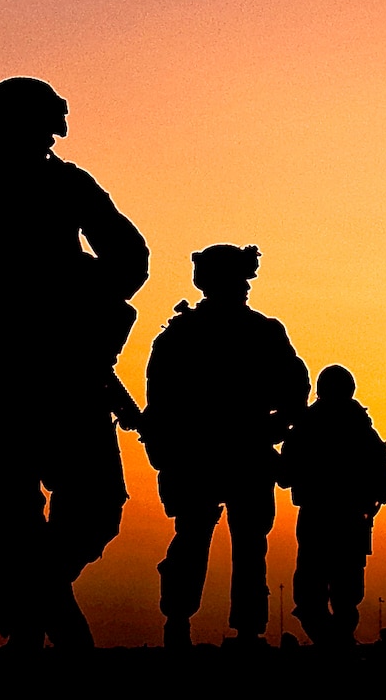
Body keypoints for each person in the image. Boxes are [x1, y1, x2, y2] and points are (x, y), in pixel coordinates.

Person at [0, 77, 149, 648]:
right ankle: (31, 614)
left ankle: (29, 599)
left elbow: (128, 260)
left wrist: (80, 295)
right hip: (29, 379)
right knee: (41, 510)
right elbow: (128, 263)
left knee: (64, 511)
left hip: (37, 375)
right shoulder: (24, 190)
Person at [142, 244, 310, 648]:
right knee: (229, 542)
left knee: (213, 539)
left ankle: (193, 623)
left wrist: (277, 423)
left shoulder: (183, 335)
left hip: (214, 454)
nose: (245, 289)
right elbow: (296, 388)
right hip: (225, 454)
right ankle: (219, 626)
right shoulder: (257, 332)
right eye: (240, 280)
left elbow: (295, 388)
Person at [279, 364, 386, 648]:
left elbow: (284, 476)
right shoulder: (362, 430)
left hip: (318, 520)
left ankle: (334, 644)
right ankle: (338, 645)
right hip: (351, 522)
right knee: (344, 597)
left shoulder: (307, 427)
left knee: (313, 596)